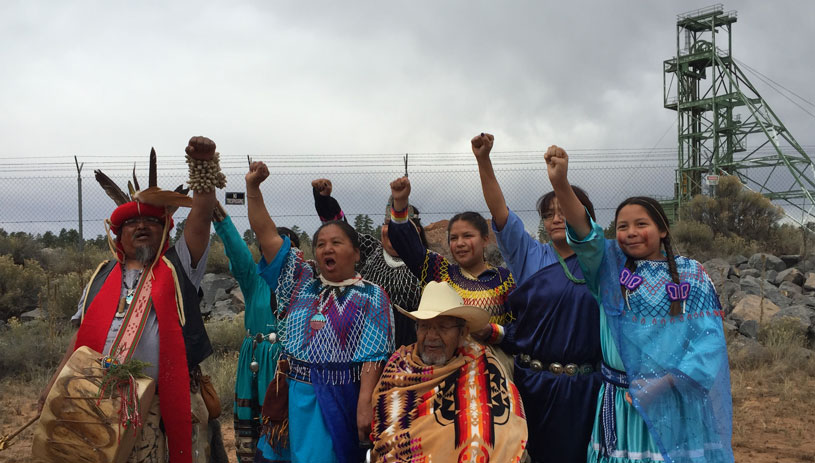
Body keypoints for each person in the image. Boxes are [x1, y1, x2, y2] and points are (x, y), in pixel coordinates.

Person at [39, 137, 223, 463]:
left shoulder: (179, 266)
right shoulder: (100, 278)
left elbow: (201, 218)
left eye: (151, 221)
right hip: (101, 399)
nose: (141, 226)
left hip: (165, 400)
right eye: (131, 223)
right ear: (118, 235)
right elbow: (80, 341)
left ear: (165, 229)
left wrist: (203, 167)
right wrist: (56, 386)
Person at [545, 145, 734, 463]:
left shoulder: (692, 274)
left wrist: (663, 384)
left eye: (641, 224)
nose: (631, 233)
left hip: (674, 400)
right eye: (622, 227)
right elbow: (584, 233)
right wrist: (561, 183)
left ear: (662, 229)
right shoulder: (607, 268)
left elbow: (709, 343)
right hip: (623, 402)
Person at [247, 161, 394, 463]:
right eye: (321, 244)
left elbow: (373, 356)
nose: (327, 248)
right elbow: (268, 237)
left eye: (336, 243)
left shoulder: (371, 295)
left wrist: (365, 403)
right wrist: (253, 189)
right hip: (292, 394)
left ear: (356, 253)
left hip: (340, 397)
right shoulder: (300, 281)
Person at [472, 132, 603, 462]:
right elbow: (499, 209)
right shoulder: (528, 255)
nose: (556, 218)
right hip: (531, 385)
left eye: (564, 210)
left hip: (585, 389)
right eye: (548, 214)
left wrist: (562, 182)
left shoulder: (602, 260)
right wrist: (484, 160)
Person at [370, 281, 527, 462]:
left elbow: (502, 426)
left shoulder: (484, 365)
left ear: (463, 332)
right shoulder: (399, 365)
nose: (431, 336)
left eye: (443, 327)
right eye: (424, 326)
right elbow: (384, 428)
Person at [212, 205, 290, 463]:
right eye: (267, 249)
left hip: (283, 365)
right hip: (253, 361)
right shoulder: (254, 280)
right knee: (250, 429)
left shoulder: (303, 283)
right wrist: (219, 217)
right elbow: (236, 249)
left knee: (282, 424)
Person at [386, 177, 516, 330]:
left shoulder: (503, 280)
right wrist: (400, 202)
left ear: (485, 239)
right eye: (454, 238)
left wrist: (493, 332)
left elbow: (520, 331)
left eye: (467, 236)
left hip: (491, 353)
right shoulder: (439, 272)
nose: (460, 243)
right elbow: (406, 244)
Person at [311, 178, 424, 348]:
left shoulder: (427, 263)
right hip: (364, 343)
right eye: (387, 224)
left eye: (401, 224)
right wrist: (324, 199)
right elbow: (341, 232)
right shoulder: (371, 250)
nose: (393, 230)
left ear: (416, 230)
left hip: (413, 348)